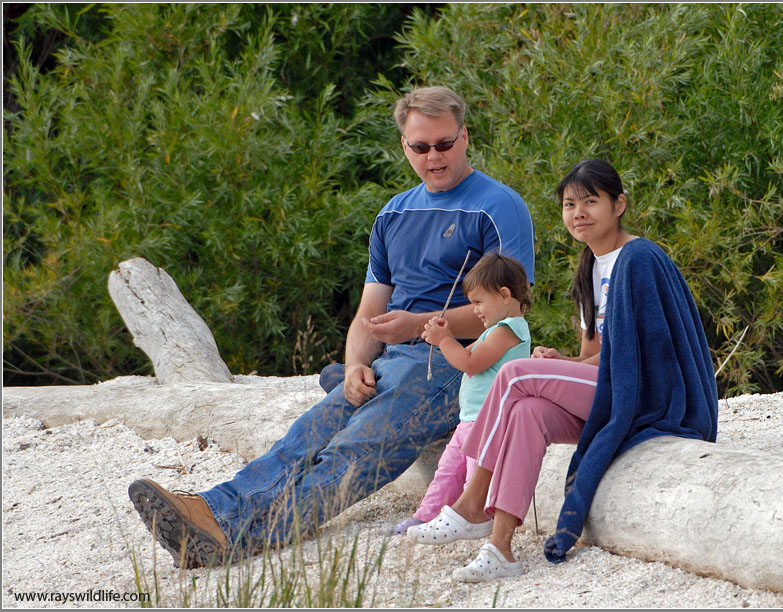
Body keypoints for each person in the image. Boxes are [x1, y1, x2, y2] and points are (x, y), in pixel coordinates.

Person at [127, 86, 536, 569]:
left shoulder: (499, 206)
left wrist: (416, 327)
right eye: (420, 147)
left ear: (464, 137)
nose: (434, 156)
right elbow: (369, 311)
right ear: (403, 147)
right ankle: (213, 510)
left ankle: (233, 538)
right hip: (392, 361)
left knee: (354, 449)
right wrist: (355, 365)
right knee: (304, 435)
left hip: (459, 364)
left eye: (444, 144)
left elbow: (512, 311)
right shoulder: (393, 214)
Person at [408, 158, 718, 583]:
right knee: (526, 411)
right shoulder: (590, 268)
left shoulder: (639, 257)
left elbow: (648, 355)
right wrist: (562, 364)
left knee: (514, 375)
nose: (579, 213)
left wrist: (553, 371)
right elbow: (597, 354)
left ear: (619, 204)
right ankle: (499, 546)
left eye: (591, 202)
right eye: (570, 205)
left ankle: (471, 502)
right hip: (610, 388)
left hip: (645, 393)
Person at [387, 253, 532, 536]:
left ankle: (472, 520)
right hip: (470, 419)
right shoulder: (493, 330)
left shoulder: (509, 330)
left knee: (473, 476)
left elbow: (470, 363)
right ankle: (425, 516)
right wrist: (447, 336)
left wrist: (444, 341)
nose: (474, 309)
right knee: (448, 470)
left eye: (478, 302)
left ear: (504, 295)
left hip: (488, 421)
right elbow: (467, 355)